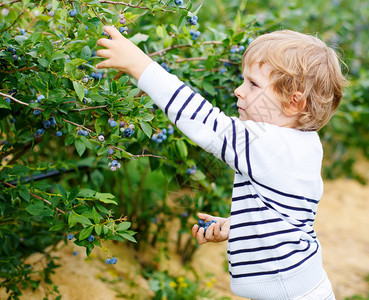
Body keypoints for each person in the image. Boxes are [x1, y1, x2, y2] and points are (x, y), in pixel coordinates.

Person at [96, 25, 346, 300]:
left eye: (253, 84)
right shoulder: (302, 144)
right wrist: (239, 226)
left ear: (292, 103)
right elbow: (287, 214)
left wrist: (140, 66)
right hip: (297, 287)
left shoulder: (270, 144)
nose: (239, 90)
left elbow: (206, 123)